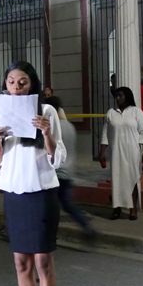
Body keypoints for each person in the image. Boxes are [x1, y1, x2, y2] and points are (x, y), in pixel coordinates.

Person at [0, 61, 66, 286]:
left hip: (41, 191)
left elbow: (57, 158)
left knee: (42, 263)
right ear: (5, 85)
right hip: (14, 192)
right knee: (21, 263)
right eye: (11, 82)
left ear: (31, 84)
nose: (16, 87)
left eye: (22, 82)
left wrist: (46, 134)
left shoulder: (45, 112)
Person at [45, 97, 95, 238]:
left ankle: (48, 234)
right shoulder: (70, 126)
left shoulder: (52, 128)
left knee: (49, 207)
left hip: (55, 173)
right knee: (67, 204)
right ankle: (85, 225)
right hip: (68, 173)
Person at [100, 87, 143, 220]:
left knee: (133, 179)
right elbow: (105, 133)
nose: (118, 98)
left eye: (120, 95)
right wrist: (102, 151)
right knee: (117, 180)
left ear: (127, 96)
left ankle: (133, 209)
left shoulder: (136, 112)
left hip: (133, 152)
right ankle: (117, 208)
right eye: (116, 96)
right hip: (116, 151)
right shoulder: (111, 113)